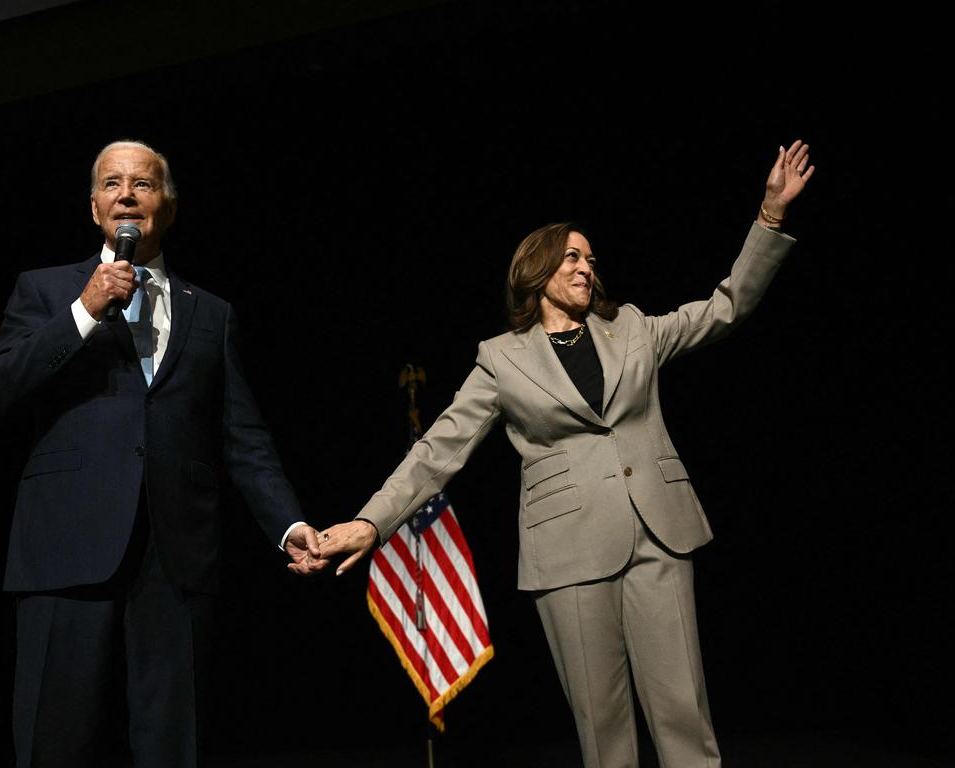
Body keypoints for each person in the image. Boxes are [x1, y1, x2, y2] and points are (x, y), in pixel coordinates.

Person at [316, 141, 815, 768]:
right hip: (569, 551)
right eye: (571, 256)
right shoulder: (500, 358)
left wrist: (768, 217)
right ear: (538, 269)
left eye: (590, 257)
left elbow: (724, 309)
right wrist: (370, 522)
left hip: (659, 533)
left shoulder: (633, 327)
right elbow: (439, 449)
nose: (586, 266)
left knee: (684, 715)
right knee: (605, 735)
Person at [0, 140, 328, 768]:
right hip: (65, 551)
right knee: (52, 744)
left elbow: (243, 439)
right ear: (93, 208)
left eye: (143, 184)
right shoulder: (46, 289)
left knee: (175, 746)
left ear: (167, 206)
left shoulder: (211, 313)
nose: (127, 195)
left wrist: (288, 524)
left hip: (176, 558)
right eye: (112, 184)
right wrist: (84, 310)